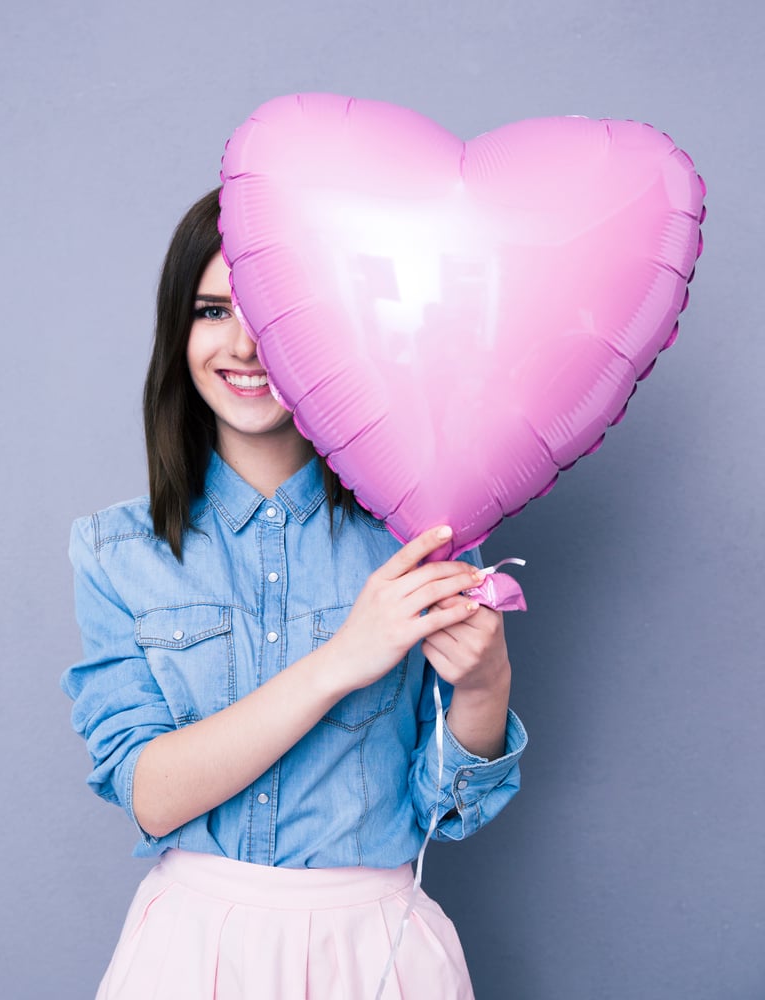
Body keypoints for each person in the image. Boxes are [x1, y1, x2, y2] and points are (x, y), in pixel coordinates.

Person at [62, 188, 528, 999]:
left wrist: (486, 686)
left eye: (274, 315)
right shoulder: (116, 551)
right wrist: (343, 658)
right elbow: (149, 794)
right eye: (211, 311)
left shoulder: (420, 537)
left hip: (376, 950)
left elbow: (449, 808)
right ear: (178, 332)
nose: (243, 345)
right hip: (191, 954)